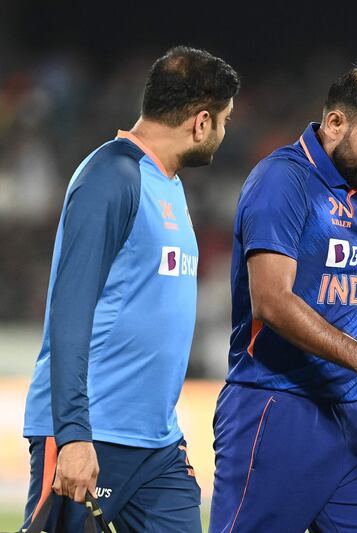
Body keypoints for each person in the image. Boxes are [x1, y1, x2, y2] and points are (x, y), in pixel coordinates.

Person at [209, 66, 357, 533]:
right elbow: (273, 302)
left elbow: (333, 290)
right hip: (278, 409)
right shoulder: (282, 180)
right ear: (336, 123)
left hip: (356, 421)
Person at [21, 46, 240, 532]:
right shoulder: (112, 175)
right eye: (223, 120)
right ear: (201, 122)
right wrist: (75, 434)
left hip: (157, 446)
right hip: (94, 436)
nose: (224, 134)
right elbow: (68, 312)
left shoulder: (169, 185)